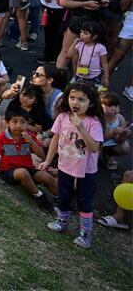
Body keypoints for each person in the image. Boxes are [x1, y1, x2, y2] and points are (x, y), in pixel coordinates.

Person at [39, 82, 104, 248]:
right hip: (65, 164)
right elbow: (55, 138)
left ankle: (85, 234)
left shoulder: (93, 123)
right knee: (63, 194)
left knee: (85, 201)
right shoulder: (63, 117)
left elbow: (95, 147)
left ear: (92, 103)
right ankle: (62, 221)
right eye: (72, 98)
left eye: (82, 100)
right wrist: (47, 160)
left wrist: (81, 127)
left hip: (86, 170)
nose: (75, 102)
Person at [0, 107, 57, 212]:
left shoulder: (29, 136)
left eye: (23, 122)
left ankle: (62, 200)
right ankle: (39, 196)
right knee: (23, 173)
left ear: (27, 123)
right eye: (14, 122)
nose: (19, 126)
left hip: (27, 168)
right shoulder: (2, 137)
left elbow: (42, 155)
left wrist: (32, 143)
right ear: (7, 123)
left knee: (46, 176)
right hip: (8, 171)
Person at [55, 0, 107, 69]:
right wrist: (85, 4)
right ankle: (57, 80)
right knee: (67, 51)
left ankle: (77, 80)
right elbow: (64, 2)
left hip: (93, 22)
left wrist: (102, 2)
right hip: (75, 20)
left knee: (84, 53)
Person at [68, 21, 108, 88]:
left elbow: (104, 63)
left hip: (94, 77)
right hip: (80, 75)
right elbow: (69, 55)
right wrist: (74, 44)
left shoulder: (100, 48)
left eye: (85, 33)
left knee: (92, 94)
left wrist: (106, 77)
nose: (81, 35)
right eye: (81, 32)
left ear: (94, 36)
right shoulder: (80, 44)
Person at [101, 91, 130, 171]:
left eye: (116, 106)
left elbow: (119, 141)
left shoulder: (120, 118)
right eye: (109, 106)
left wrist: (123, 135)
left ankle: (109, 154)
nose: (114, 109)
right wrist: (112, 132)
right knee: (94, 157)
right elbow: (98, 138)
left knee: (125, 147)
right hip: (97, 143)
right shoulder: (99, 119)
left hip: (110, 142)